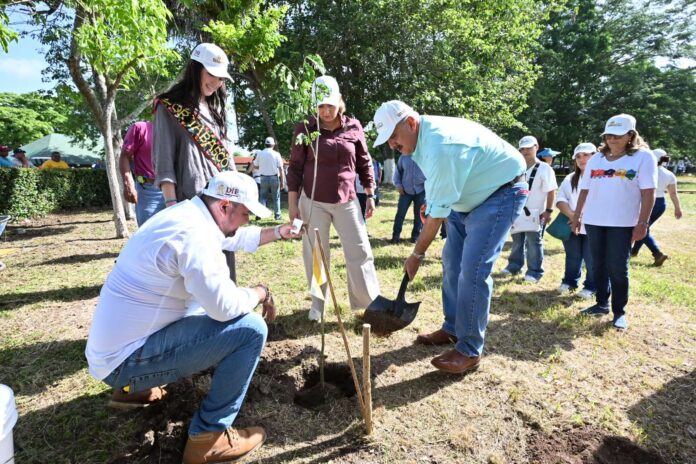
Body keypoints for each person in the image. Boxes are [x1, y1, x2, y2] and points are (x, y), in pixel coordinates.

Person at [85, 171, 301, 464]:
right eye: (246, 213)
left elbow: (233, 238)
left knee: (198, 308)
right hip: (125, 362)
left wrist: (277, 232)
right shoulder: (195, 236)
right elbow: (224, 307)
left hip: (111, 353)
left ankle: (131, 391)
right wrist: (260, 292)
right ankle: (208, 438)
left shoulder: (185, 216)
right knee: (250, 329)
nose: (247, 220)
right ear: (224, 206)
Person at [372, 100, 527, 374]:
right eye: (388, 141)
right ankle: (453, 327)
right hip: (465, 198)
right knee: (451, 262)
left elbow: (435, 218)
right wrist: (432, 203)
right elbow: (436, 183)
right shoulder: (419, 142)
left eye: (394, 137)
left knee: (473, 269)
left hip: (499, 194)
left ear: (410, 122)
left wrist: (416, 254)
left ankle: (469, 350)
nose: (392, 145)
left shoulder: (443, 144)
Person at [287, 75, 380, 321]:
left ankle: (366, 304)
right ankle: (318, 304)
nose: (326, 111)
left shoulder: (354, 126)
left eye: (330, 104)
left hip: (347, 200)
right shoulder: (306, 129)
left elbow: (364, 161)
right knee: (316, 253)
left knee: (359, 250)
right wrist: (292, 203)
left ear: (339, 101)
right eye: (320, 106)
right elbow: (295, 167)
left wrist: (369, 193)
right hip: (313, 201)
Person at [153, 42, 238, 280]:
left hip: (221, 202)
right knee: (197, 274)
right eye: (212, 74)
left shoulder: (213, 109)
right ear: (195, 69)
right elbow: (164, 163)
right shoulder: (168, 107)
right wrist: (172, 207)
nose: (217, 83)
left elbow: (225, 157)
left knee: (223, 270)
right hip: (189, 204)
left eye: (222, 78)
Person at [571, 114, 657, 330]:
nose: (612, 139)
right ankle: (601, 303)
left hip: (623, 223)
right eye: (608, 135)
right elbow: (585, 189)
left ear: (631, 135)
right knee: (597, 265)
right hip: (594, 221)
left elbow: (649, 192)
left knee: (618, 267)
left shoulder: (643, 157)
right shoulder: (597, 159)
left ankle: (619, 311)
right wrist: (578, 215)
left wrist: (643, 223)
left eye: (617, 136)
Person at [502, 135, 557, 282]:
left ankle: (534, 271)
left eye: (528, 148)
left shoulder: (545, 168)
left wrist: (548, 211)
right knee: (516, 239)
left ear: (536, 147)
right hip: (517, 210)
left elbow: (551, 191)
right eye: (522, 149)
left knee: (534, 242)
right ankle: (514, 266)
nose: (525, 151)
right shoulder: (516, 168)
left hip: (536, 211)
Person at [556, 143, 596, 298]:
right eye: (578, 156)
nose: (582, 159)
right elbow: (560, 200)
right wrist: (573, 216)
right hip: (571, 224)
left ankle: (592, 286)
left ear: (595, 156)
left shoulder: (602, 177)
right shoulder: (570, 178)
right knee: (572, 255)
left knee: (591, 257)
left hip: (593, 226)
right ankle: (569, 281)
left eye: (586, 155)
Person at [630, 149, 683, 265]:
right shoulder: (669, 174)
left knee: (642, 227)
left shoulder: (645, 171)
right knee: (644, 227)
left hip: (646, 202)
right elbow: (673, 193)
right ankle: (633, 251)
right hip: (661, 204)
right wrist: (677, 208)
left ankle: (657, 253)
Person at [119, 121, 165, 226]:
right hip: (149, 191)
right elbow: (125, 156)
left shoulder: (179, 129)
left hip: (178, 190)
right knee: (149, 234)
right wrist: (128, 184)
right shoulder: (140, 128)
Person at [390, 153, 426, 244]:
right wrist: (398, 185)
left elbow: (430, 173)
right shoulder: (403, 156)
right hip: (405, 191)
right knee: (400, 214)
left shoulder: (425, 155)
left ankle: (415, 237)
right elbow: (397, 172)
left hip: (421, 190)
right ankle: (395, 236)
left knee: (419, 215)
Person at [254, 137, 285, 220]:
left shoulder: (260, 153)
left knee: (262, 197)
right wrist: (282, 181)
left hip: (263, 177)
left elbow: (255, 165)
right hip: (274, 177)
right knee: (276, 197)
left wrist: (262, 166)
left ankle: (259, 215)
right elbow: (281, 168)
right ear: (273, 144)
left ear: (265, 144)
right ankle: (277, 215)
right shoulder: (276, 154)